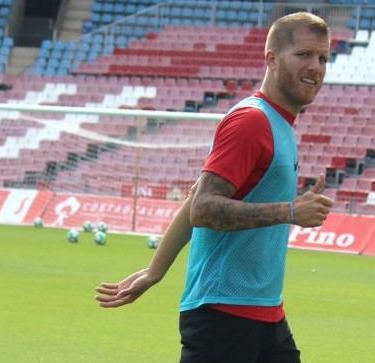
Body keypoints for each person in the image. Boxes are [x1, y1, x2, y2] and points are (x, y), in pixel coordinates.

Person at [95, 12, 333, 362]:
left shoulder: (279, 124)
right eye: (304, 55)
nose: (316, 66)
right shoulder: (252, 121)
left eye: (323, 58)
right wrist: (290, 211)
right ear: (271, 58)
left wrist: (154, 271)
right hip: (224, 312)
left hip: (264, 310)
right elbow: (204, 207)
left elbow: (194, 198)